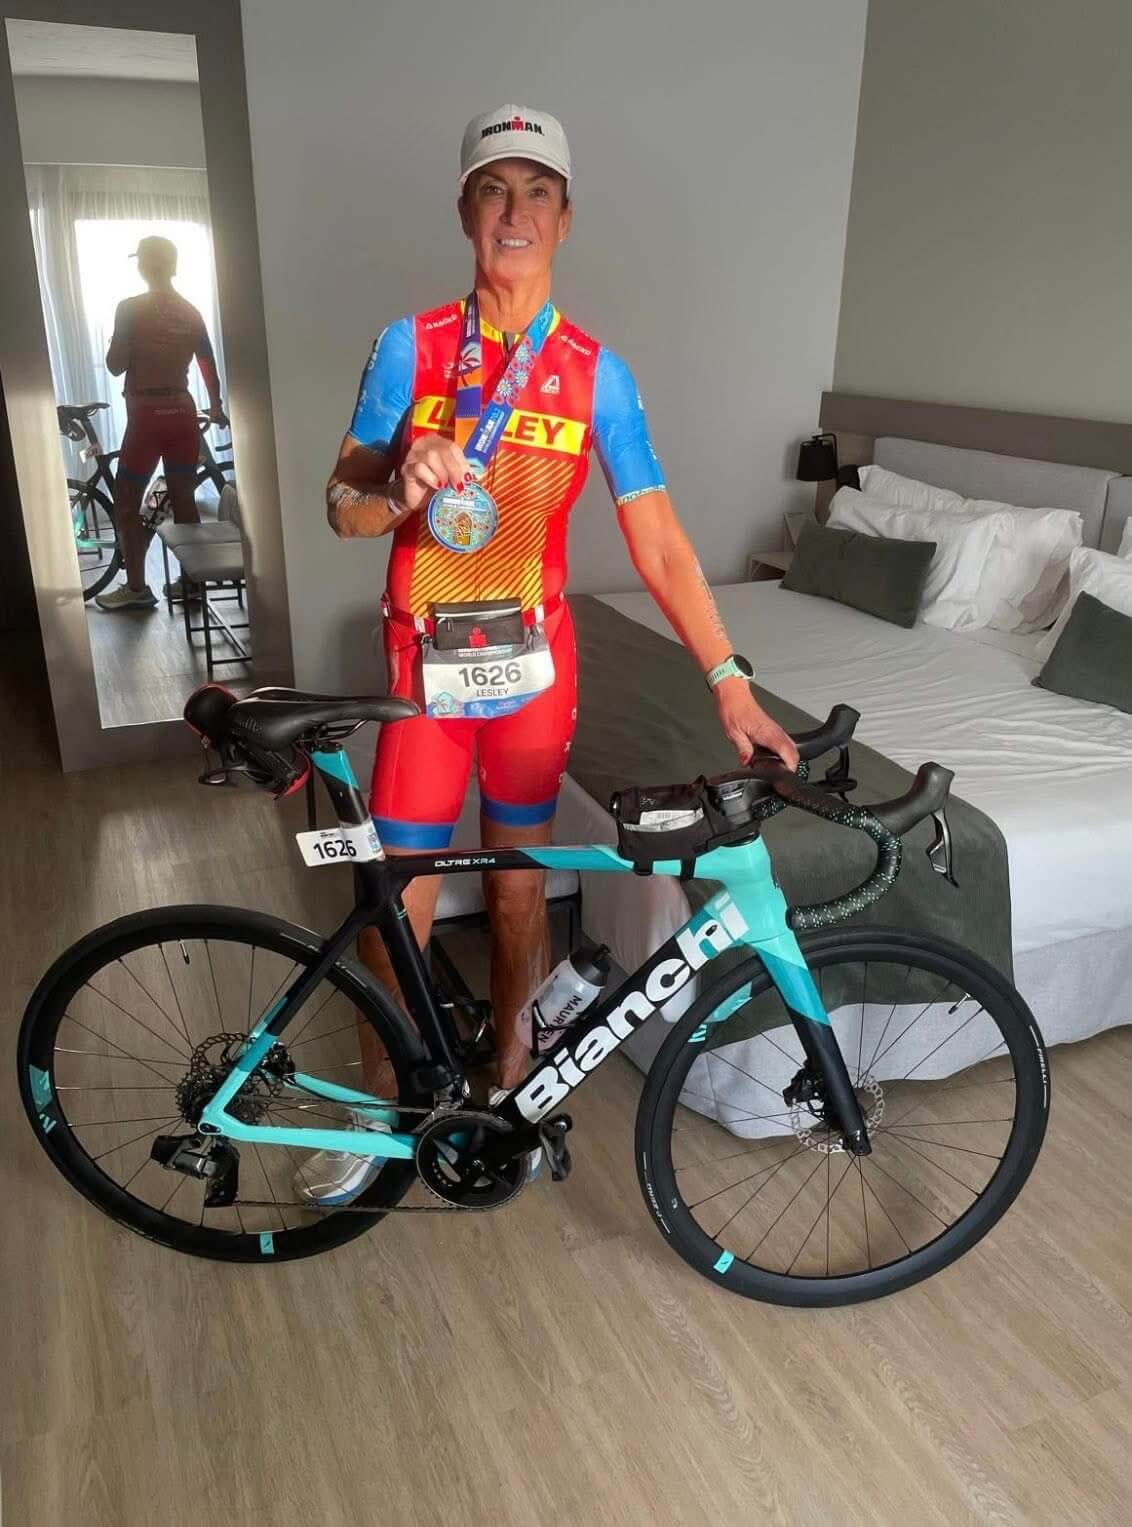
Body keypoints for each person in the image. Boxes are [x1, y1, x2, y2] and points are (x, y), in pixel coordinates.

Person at [308, 105, 798, 1202]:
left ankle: (513, 1083)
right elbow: (342, 505)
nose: (514, 211)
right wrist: (398, 486)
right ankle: (375, 1112)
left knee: (521, 896)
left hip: (532, 668)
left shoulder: (594, 374)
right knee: (395, 907)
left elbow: (659, 543)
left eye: (537, 191)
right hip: (427, 670)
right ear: (465, 212)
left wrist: (729, 682)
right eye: (494, 189)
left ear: (565, 218)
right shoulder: (410, 346)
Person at [96, 235, 227, 611]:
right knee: (183, 501)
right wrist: (215, 407)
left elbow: (115, 365)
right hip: (182, 412)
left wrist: (117, 342)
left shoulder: (129, 309)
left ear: (142, 266)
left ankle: (137, 588)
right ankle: (191, 583)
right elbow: (207, 364)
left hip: (147, 417)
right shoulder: (191, 312)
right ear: (174, 266)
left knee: (126, 504)